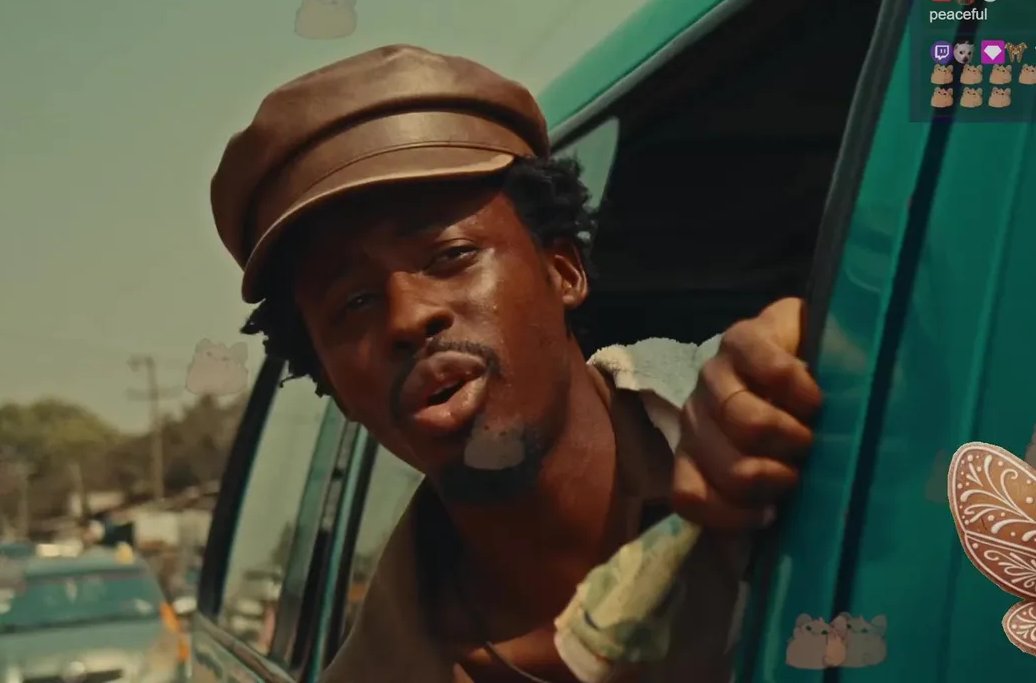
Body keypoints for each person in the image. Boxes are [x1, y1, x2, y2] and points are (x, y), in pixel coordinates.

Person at [210, 45, 822, 682]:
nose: (408, 317)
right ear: (336, 389)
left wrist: (819, 347)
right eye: (354, 302)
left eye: (450, 256)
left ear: (563, 270)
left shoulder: (754, 414)